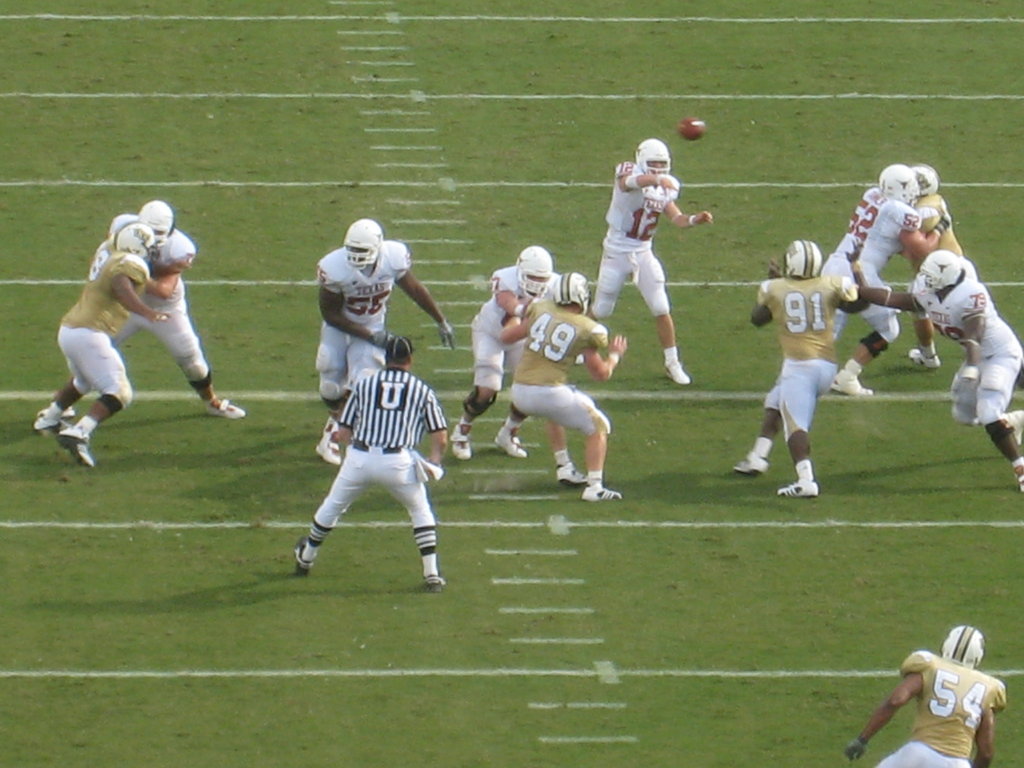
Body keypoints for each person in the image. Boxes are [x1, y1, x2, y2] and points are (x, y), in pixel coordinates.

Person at [851, 249, 1024, 492]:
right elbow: (893, 299)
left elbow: (973, 335)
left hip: (999, 354)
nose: (925, 280)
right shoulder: (928, 291)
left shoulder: (971, 294)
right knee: (964, 415)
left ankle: (1020, 467)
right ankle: (1014, 422)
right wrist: (857, 283)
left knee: (988, 411)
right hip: (977, 356)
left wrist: (973, 366)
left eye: (932, 277)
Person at [294, 336, 449, 592]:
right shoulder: (422, 390)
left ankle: (306, 557)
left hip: (361, 457)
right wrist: (434, 460)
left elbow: (343, 432)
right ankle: (431, 573)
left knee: (332, 507)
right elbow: (440, 436)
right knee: (420, 510)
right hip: (398, 461)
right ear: (410, 359)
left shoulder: (365, 385)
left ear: (386, 359)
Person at [315, 218, 456, 465]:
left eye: (362, 251)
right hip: (341, 326)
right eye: (353, 250)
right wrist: (370, 336)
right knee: (329, 380)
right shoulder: (334, 267)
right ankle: (337, 418)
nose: (356, 256)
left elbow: (414, 289)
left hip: (372, 324)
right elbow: (330, 313)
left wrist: (440, 319)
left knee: (363, 383)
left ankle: (333, 432)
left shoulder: (393, 258)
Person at [91, 200, 247, 420]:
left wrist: (132, 272)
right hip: (128, 304)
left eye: (158, 233)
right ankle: (60, 406)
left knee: (192, 360)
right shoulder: (123, 226)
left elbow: (163, 291)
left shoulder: (180, 247)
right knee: (91, 349)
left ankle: (212, 402)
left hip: (166, 310)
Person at [34, 223, 169, 467]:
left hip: (70, 329)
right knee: (119, 391)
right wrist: (145, 311)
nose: (152, 252)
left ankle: (50, 418)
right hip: (89, 332)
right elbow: (121, 283)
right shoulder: (130, 262)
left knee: (83, 381)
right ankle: (81, 431)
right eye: (149, 247)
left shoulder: (111, 252)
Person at [733, 240, 861, 498]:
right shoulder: (831, 284)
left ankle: (806, 481)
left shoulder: (775, 289)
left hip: (799, 368)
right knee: (774, 401)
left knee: (796, 426)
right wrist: (857, 268)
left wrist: (775, 288)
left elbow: (757, 319)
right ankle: (758, 456)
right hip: (827, 367)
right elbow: (859, 305)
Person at [448, 245, 582, 482]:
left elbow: (571, 313)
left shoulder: (556, 286)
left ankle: (508, 433)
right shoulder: (506, 277)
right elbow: (509, 309)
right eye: (532, 277)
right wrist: (528, 311)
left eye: (541, 278)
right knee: (488, 389)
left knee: (530, 390)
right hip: (491, 333)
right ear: (520, 271)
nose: (536, 283)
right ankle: (462, 429)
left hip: (523, 337)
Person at [592, 137, 713, 386]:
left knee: (661, 306)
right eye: (653, 164)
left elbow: (677, 218)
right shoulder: (630, 172)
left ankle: (672, 362)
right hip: (616, 250)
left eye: (662, 164)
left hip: (643, 251)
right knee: (601, 310)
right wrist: (657, 179)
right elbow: (628, 183)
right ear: (641, 161)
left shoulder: (663, 187)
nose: (658, 169)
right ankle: (574, 342)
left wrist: (695, 220)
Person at [497, 272, 628, 501]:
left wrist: (514, 317)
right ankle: (594, 487)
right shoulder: (588, 329)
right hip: (548, 392)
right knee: (598, 426)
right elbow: (601, 374)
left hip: (519, 391)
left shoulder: (540, 310)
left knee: (556, 411)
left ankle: (564, 466)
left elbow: (507, 337)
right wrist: (615, 356)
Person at [828, 164, 947, 396]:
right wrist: (941, 226)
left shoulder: (872, 195)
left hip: (834, 263)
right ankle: (848, 376)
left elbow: (885, 235)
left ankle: (798, 376)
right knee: (888, 328)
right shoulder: (903, 212)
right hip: (859, 270)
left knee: (829, 331)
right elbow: (920, 250)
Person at [843, 625, 1006, 768]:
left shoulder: (931, 666)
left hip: (919, 754)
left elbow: (896, 700)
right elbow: (986, 753)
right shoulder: (988, 688)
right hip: (958, 763)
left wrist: (862, 740)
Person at [906, 163, 966, 369]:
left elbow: (917, 247)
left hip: (944, 272)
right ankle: (927, 355)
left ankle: (929, 355)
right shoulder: (933, 200)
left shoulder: (924, 211)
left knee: (961, 317)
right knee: (918, 306)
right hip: (948, 266)